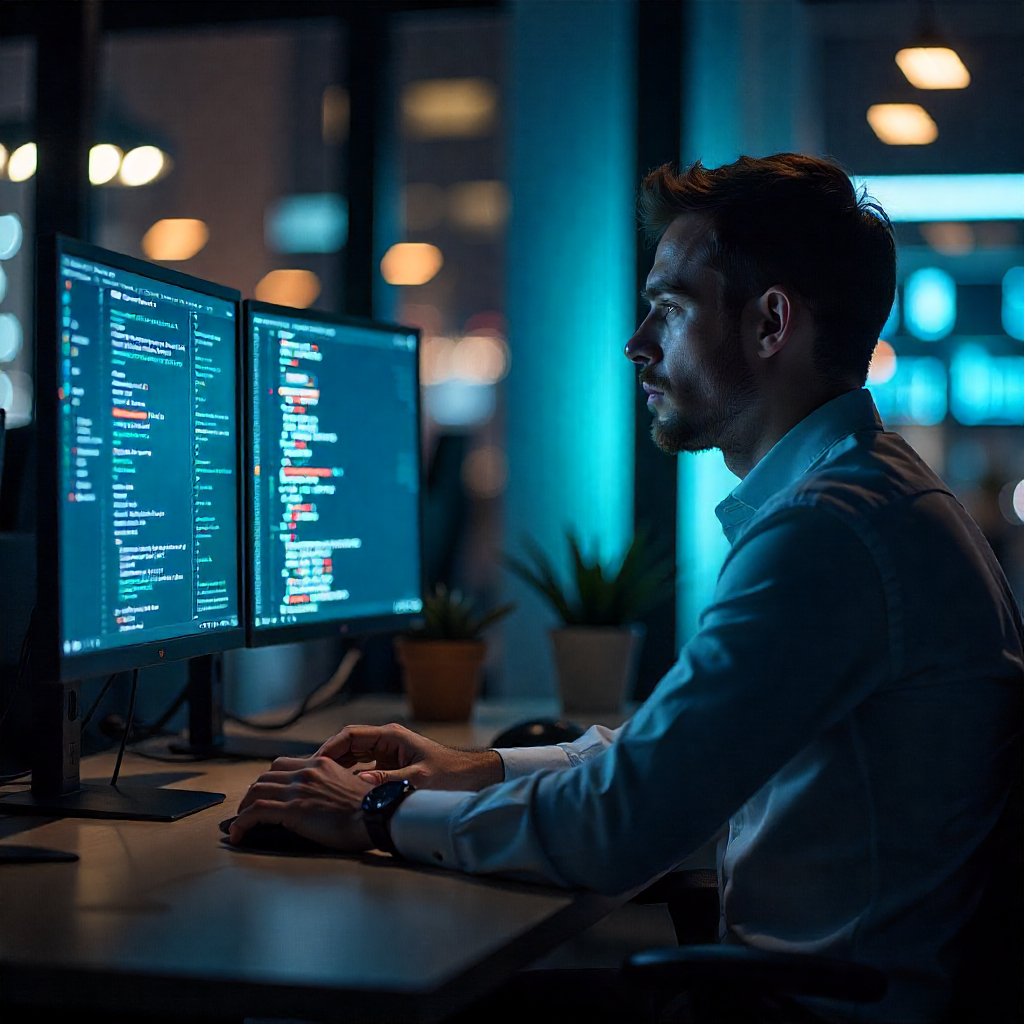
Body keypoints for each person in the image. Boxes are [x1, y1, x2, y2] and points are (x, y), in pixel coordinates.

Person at [232, 154, 1023, 1022]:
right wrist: (473, 768)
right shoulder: (867, 495)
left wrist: (378, 811)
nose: (637, 343)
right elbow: (671, 753)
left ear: (770, 324)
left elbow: (620, 827)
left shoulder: (830, 532)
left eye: (669, 308)